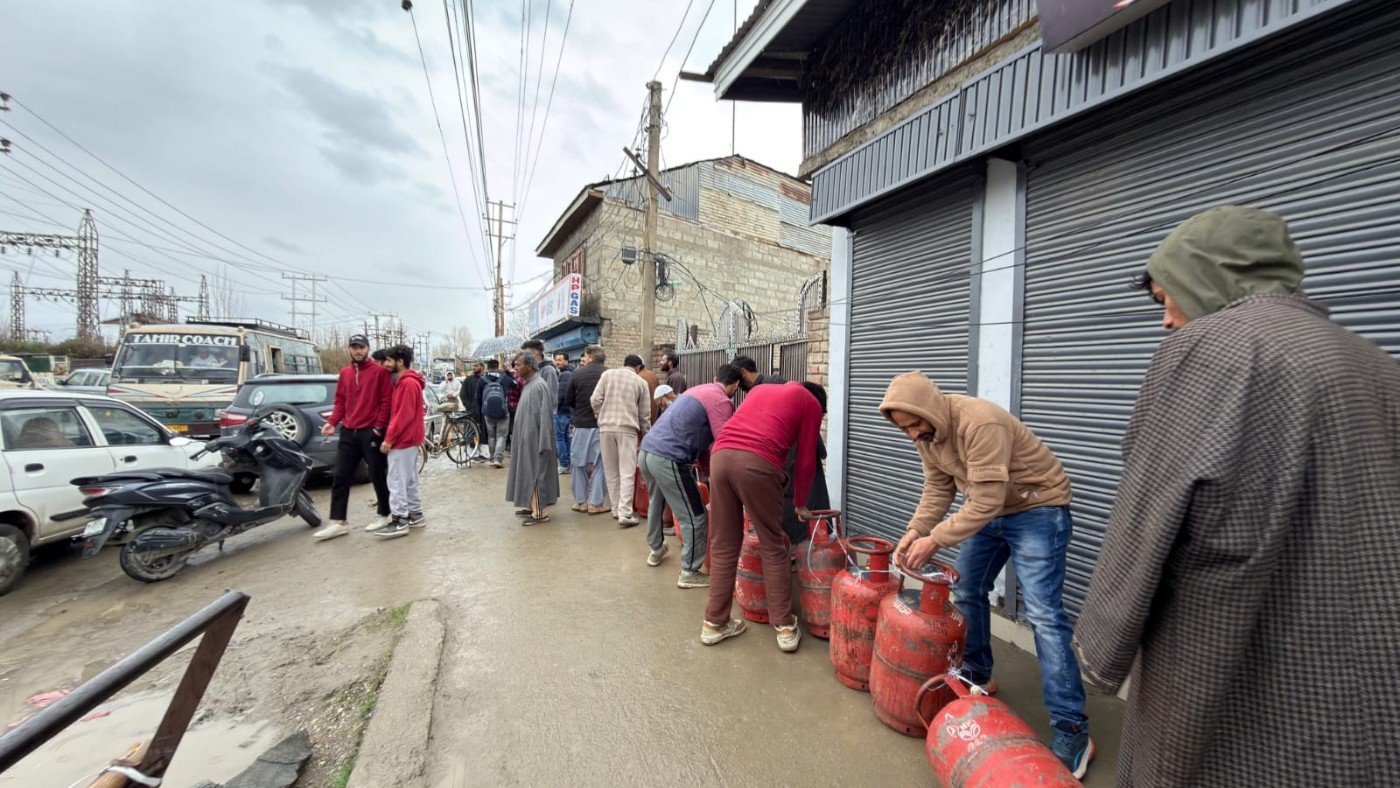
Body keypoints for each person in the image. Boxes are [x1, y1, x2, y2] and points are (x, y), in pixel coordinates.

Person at [1073, 206, 1400, 786]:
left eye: (1163, 298)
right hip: (1363, 669)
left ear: (1206, 278)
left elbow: (1148, 514)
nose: (1166, 320)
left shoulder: (1209, 349)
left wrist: (1102, 646)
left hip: (1228, 653)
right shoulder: (1379, 367)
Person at [880, 371, 1091, 777]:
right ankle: (978, 672)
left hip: (1038, 508)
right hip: (989, 509)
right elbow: (938, 489)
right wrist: (914, 531)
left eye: (915, 424)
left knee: (1044, 615)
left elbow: (990, 498)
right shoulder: (928, 436)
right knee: (968, 588)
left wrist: (935, 540)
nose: (911, 435)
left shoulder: (980, 422)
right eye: (904, 429)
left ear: (930, 409)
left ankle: (1073, 730)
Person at [702, 381, 825, 653]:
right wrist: (801, 503)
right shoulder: (811, 404)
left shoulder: (760, 390)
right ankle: (784, 626)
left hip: (720, 457)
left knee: (723, 543)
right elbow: (806, 458)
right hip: (758, 462)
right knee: (774, 544)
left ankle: (714, 623)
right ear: (821, 402)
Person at [639, 364, 742, 588]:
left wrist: (708, 474)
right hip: (670, 458)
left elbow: (704, 444)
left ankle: (655, 550)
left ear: (715, 377)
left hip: (647, 451)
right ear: (735, 385)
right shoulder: (722, 401)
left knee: (656, 501)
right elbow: (722, 443)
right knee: (695, 516)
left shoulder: (697, 390)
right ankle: (690, 571)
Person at [315, 334, 393, 541]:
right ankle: (339, 521)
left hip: (370, 431)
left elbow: (386, 401)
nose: (358, 351)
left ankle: (385, 513)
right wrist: (332, 422)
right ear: (350, 349)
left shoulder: (380, 372)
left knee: (377, 474)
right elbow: (340, 401)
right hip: (348, 431)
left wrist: (378, 427)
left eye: (361, 347)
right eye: (354, 347)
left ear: (367, 348)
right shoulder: (345, 373)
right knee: (340, 476)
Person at [591, 354, 652, 530]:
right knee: (627, 471)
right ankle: (625, 513)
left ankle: (616, 509)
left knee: (610, 471)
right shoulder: (640, 382)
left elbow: (595, 400)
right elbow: (644, 414)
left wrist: (600, 415)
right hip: (627, 430)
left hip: (605, 428)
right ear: (639, 368)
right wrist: (646, 435)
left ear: (623, 363)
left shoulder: (607, 375)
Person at [374, 345, 427, 539]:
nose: (386, 364)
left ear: (400, 361)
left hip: (404, 440)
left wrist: (390, 438)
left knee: (396, 480)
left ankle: (400, 520)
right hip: (410, 438)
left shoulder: (406, 384)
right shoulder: (409, 382)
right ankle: (415, 515)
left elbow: (402, 415)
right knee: (410, 480)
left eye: (389, 360)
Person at [505, 351, 557, 525]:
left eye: (518, 364)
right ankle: (531, 506)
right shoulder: (529, 384)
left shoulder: (539, 385)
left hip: (535, 441)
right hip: (526, 439)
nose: (516, 368)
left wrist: (543, 442)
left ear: (529, 365)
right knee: (526, 472)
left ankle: (540, 512)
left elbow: (544, 418)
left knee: (535, 474)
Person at [563, 345, 608, 514]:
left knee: (578, 464)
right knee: (600, 464)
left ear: (589, 357)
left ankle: (580, 502)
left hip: (581, 425)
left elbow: (568, 399)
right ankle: (595, 504)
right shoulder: (608, 374)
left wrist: (579, 411)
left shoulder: (577, 374)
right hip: (601, 425)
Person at [476, 359, 513, 468]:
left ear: (488, 367)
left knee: (492, 436)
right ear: (498, 366)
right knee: (501, 435)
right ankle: (498, 459)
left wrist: (482, 410)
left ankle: (492, 459)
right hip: (503, 412)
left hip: (488, 413)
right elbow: (515, 383)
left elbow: (477, 397)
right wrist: (507, 371)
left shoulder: (482, 380)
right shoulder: (505, 378)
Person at [554, 352, 575, 475]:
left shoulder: (565, 374)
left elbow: (560, 394)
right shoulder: (570, 372)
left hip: (562, 411)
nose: (558, 362)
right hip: (568, 411)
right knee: (566, 437)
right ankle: (567, 463)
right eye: (556, 360)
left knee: (560, 437)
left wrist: (556, 407)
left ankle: (563, 464)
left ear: (567, 361)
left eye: (560, 360)